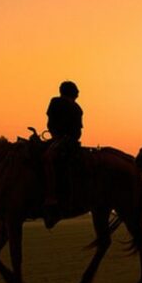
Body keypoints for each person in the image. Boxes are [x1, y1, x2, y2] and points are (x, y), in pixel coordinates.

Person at [42, 81, 83, 228]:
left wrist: (58, 138)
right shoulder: (77, 108)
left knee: (47, 159)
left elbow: (50, 124)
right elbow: (78, 132)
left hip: (63, 141)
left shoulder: (57, 102)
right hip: (68, 141)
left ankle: (51, 197)